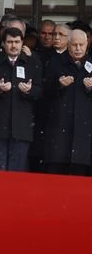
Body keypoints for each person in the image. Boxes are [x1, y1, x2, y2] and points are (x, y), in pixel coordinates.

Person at [0, 28, 42, 171]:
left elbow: (40, 91)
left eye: (17, 42)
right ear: (3, 43)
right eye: (10, 42)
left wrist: (29, 90)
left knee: (17, 175)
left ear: (22, 43)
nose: (14, 46)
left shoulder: (32, 62)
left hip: (22, 127)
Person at [43, 29, 92, 175]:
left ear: (87, 44)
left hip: (85, 130)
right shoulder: (55, 62)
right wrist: (59, 85)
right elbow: (44, 90)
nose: (78, 48)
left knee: (81, 176)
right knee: (57, 174)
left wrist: (90, 89)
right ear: (68, 44)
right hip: (59, 127)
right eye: (74, 45)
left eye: (81, 45)